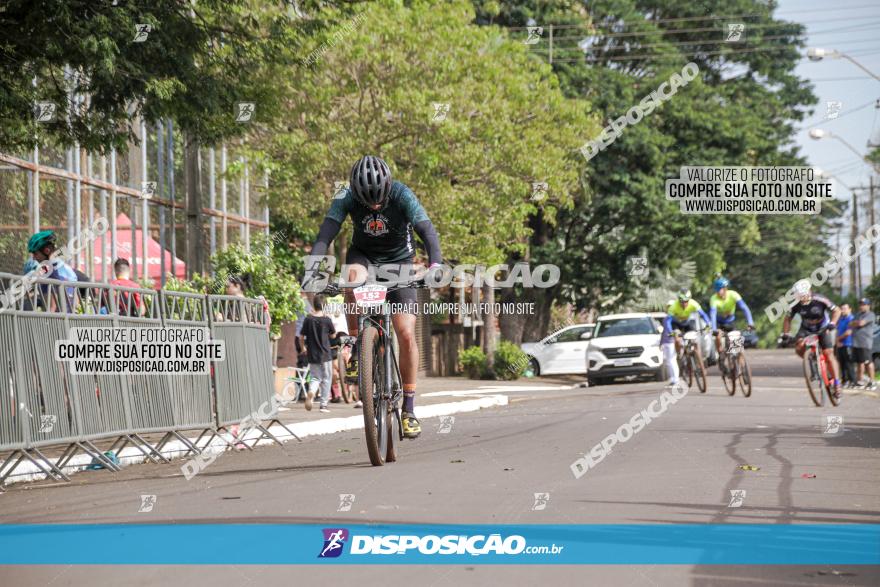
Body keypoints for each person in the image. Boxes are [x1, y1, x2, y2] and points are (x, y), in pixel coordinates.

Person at [305, 155, 442, 438]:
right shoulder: (345, 196)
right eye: (369, 202)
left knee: (405, 332)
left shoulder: (402, 193)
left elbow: (427, 230)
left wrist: (435, 265)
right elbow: (325, 234)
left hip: (400, 261)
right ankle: (356, 343)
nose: (376, 206)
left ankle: (409, 408)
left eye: (379, 200)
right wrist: (312, 269)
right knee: (352, 277)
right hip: (364, 257)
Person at [780, 279, 842, 398]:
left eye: (803, 295)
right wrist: (786, 334)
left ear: (809, 292)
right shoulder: (795, 304)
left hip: (823, 327)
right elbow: (787, 319)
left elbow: (837, 310)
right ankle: (811, 358)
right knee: (798, 347)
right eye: (799, 296)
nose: (801, 298)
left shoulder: (820, 299)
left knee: (828, 354)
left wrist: (833, 323)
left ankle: (837, 383)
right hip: (806, 328)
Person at [709, 276, 755, 374]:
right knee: (718, 337)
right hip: (719, 323)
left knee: (737, 345)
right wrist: (714, 328)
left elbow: (744, 308)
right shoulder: (714, 299)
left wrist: (750, 322)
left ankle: (742, 368)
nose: (719, 292)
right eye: (717, 290)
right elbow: (712, 314)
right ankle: (721, 356)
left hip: (730, 322)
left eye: (721, 289)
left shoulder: (733, 295)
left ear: (726, 288)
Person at [26, 230, 78, 312]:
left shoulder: (48, 272)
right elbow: (76, 303)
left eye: (35, 254)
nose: (34, 258)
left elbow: (51, 307)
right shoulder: (68, 270)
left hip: (56, 322)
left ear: (46, 251)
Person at [301, 294, 336, 413]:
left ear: (314, 305)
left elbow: (301, 336)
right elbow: (333, 335)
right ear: (325, 306)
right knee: (326, 379)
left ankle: (312, 391)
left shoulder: (308, 319)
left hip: (312, 354)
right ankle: (323, 405)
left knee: (315, 377)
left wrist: (303, 347)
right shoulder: (327, 320)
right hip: (325, 354)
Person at [851, 298, 876, 390]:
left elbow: (861, 323)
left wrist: (856, 323)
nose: (861, 306)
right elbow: (850, 324)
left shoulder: (870, 314)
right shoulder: (858, 314)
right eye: (860, 304)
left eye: (864, 304)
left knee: (868, 362)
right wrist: (855, 323)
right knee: (859, 363)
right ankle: (860, 382)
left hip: (865, 342)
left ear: (868, 305)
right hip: (856, 342)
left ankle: (872, 382)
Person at [835, 303, 856, 387]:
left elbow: (848, 332)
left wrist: (838, 339)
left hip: (848, 344)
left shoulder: (851, 319)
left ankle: (852, 381)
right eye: (841, 309)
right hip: (840, 344)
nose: (842, 310)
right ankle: (844, 381)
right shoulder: (841, 319)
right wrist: (837, 342)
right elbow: (837, 330)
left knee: (849, 363)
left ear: (850, 309)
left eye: (844, 308)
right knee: (842, 363)